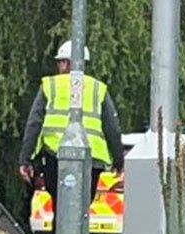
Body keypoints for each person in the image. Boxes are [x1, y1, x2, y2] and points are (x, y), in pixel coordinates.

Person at [19, 40, 125, 208]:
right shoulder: (98, 88)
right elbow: (112, 128)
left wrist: (25, 159)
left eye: (61, 61)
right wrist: (118, 161)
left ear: (68, 63)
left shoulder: (50, 85)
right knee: (82, 209)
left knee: (60, 209)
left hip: (55, 157)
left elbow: (34, 124)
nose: (59, 66)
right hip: (92, 160)